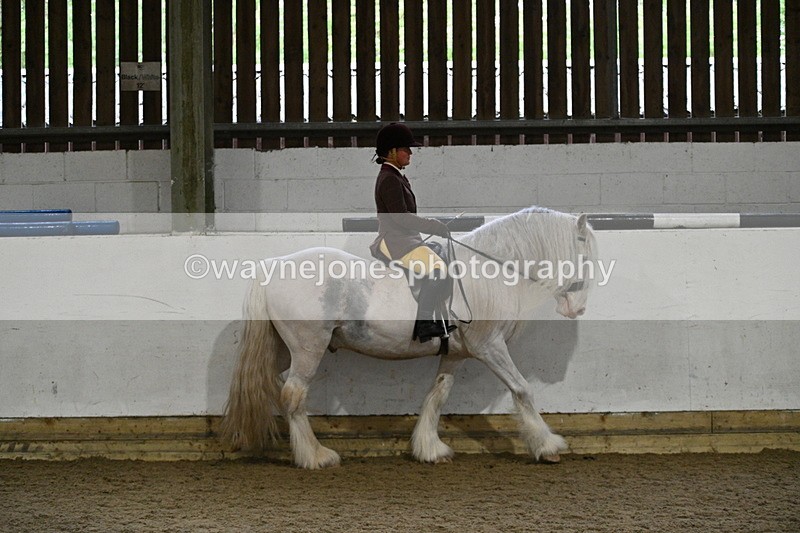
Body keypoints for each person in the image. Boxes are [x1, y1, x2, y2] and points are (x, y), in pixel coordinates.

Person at [369, 123, 454, 343]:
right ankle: (424, 324)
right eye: (406, 149)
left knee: (439, 255)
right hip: (396, 242)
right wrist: (435, 226)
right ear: (392, 151)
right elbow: (401, 218)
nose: (410, 153)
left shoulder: (395, 176)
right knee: (438, 270)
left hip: (405, 238)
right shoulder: (389, 178)